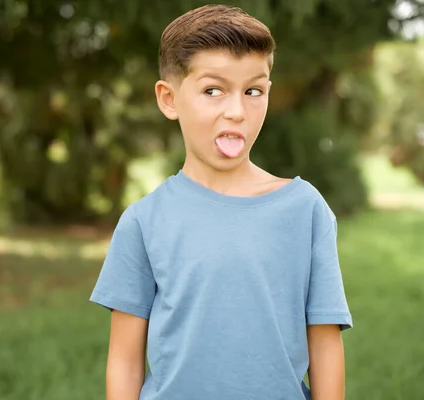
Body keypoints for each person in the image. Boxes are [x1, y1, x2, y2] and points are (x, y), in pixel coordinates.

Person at [89, 4, 353, 400]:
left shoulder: (305, 209)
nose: (236, 111)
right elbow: (125, 361)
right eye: (213, 90)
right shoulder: (143, 221)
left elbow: (325, 345)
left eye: (253, 91)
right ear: (169, 99)